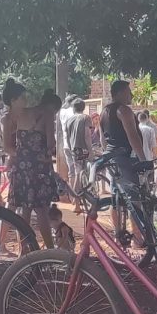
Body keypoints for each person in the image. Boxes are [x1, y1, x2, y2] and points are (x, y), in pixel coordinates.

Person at [1, 78, 60, 248]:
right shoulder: (44, 114)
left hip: (22, 168)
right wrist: (37, 155)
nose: (26, 101)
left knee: (24, 210)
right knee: (41, 210)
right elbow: (50, 144)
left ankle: (24, 251)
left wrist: (21, 157)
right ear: (14, 100)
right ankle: (49, 250)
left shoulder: (10, 118)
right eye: (23, 98)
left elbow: (8, 147)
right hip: (39, 167)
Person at [100, 80, 148, 247]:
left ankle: (118, 235)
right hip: (124, 158)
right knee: (134, 198)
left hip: (110, 159)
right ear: (119, 93)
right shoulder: (124, 110)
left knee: (116, 198)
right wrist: (143, 159)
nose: (131, 95)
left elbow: (102, 139)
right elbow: (132, 136)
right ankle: (138, 238)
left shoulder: (104, 111)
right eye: (128, 91)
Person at [63, 98, 92, 192]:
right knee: (80, 175)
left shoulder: (69, 120)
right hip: (83, 149)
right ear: (83, 107)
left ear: (73, 108)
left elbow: (67, 137)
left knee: (76, 173)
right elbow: (87, 135)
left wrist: (72, 148)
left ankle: (76, 200)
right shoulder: (86, 118)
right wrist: (90, 151)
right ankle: (77, 201)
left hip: (73, 149)